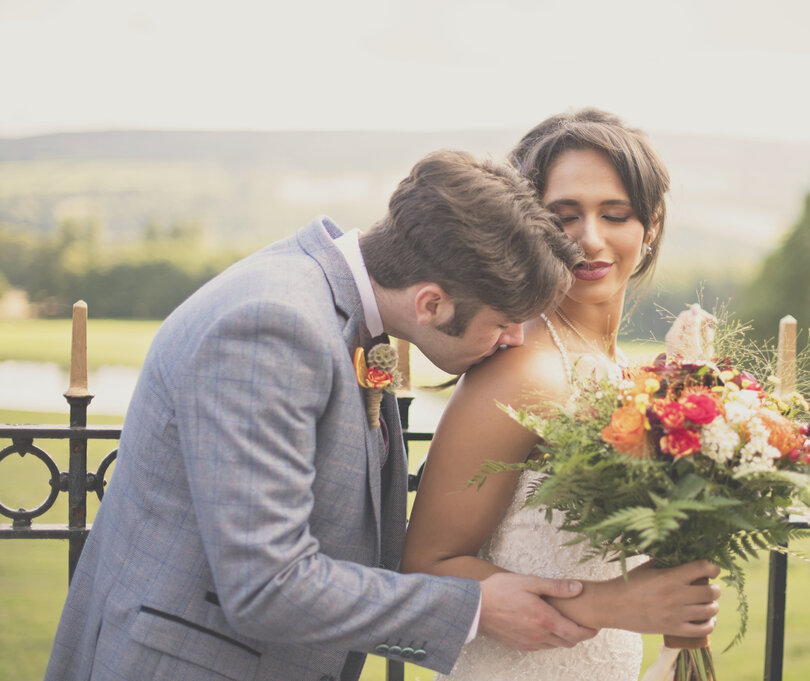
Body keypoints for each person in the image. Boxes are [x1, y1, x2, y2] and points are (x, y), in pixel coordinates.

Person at [44, 150, 602, 681]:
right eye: (506, 321)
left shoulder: (326, 301)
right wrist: (474, 605)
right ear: (431, 303)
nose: (512, 342)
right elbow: (267, 586)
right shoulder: (273, 326)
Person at [401, 110, 722, 681]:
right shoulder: (522, 371)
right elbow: (427, 568)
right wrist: (604, 603)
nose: (590, 239)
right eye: (564, 216)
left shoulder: (632, 377)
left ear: (649, 228)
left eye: (615, 215)